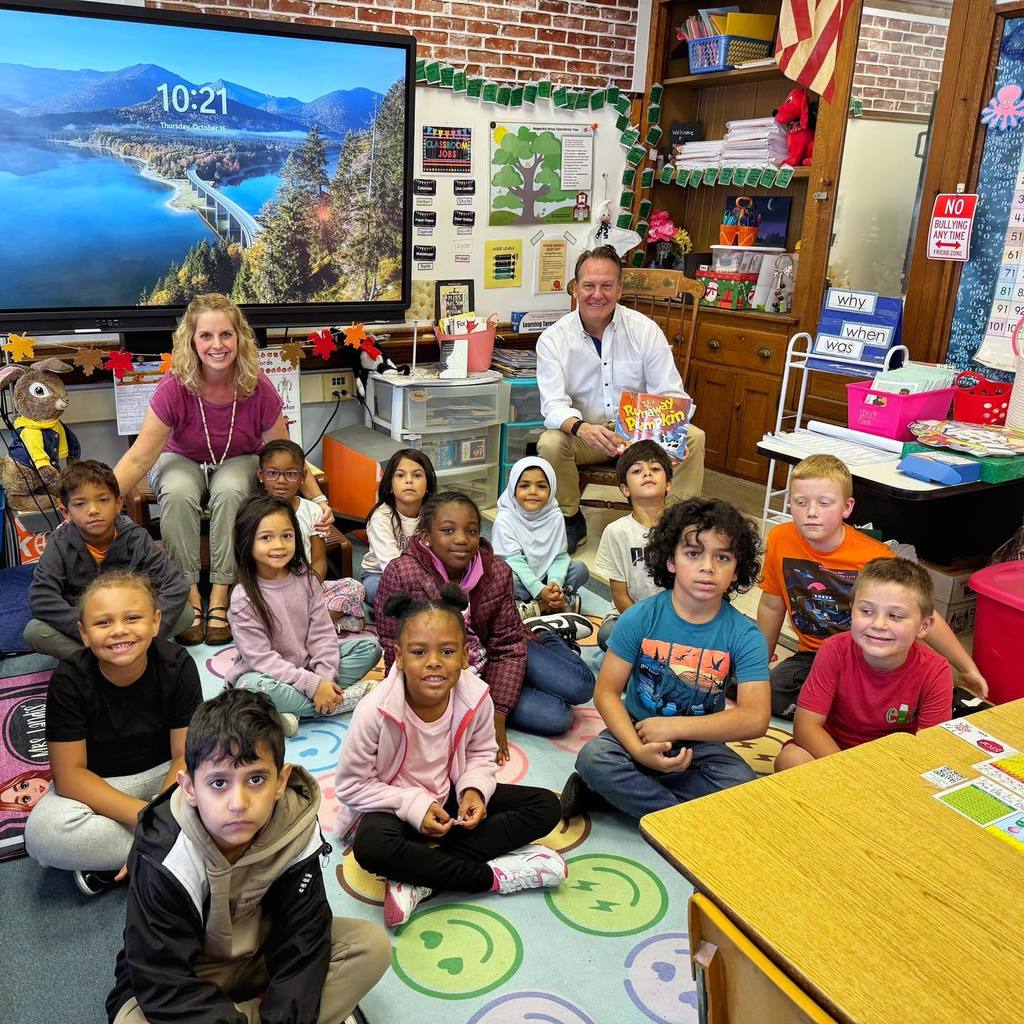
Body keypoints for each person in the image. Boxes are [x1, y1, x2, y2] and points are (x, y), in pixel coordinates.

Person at [105, 688, 390, 1024]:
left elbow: (305, 938)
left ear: (281, 781)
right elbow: (162, 979)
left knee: (369, 947)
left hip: (259, 958)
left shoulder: (295, 828)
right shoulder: (162, 850)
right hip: (190, 971)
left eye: (256, 779)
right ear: (189, 787)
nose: (238, 803)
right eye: (218, 783)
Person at [336, 585, 567, 928]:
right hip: (393, 806)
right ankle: (491, 877)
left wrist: (474, 790)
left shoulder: (476, 697)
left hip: (449, 798)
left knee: (547, 806)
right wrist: (413, 805)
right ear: (398, 656)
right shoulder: (375, 711)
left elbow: (481, 753)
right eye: (418, 652)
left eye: (447, 651)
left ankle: (415, 877)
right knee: (370, 847)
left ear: (465, 656)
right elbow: (352, 787)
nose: (433, 662)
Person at [113, 293, 331, 646]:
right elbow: (140, 457)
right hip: (180, 458)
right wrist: (104, 500)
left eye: (226, 335)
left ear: (239, 337)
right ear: (192, 340)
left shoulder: (258, 386)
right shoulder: (173, 386)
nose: (217, 345)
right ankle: (187, 595)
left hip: (238, 457)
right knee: (178, 491)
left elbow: (285, 454)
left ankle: (219, 594)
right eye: (206, 336)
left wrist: (319, 499)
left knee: (231, 490)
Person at [561, 498, 770, 822]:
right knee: (595, 756)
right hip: (636, 734)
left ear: (737, 568)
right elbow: (606, 692)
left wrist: (674, 725)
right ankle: (677, 821)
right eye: (693, 553)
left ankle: (613, 795)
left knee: (743, 788)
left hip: (700, 744)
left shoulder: (745, 635)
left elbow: (755, 719)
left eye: (723, 557)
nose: (708, 567)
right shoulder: (641, 617)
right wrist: (637, 747)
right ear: (671, 560)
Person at [757, 454, 987, 719]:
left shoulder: (872, 555)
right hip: (815, 656)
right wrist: (757, 668)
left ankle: (950, 701)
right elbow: (771, 605)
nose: (811, 512)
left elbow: (924, 614)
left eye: (824, 503)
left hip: (873, 654)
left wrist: (966, 666)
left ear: (846, 507)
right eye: (801, 502)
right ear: (789, 503)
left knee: (894, 692)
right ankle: (862, 711)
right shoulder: (779, 539)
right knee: (772, 693)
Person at [375, 493, 595, 760]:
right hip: (461, 670)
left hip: (507, 647)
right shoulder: (401, 573)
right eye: (447, 530)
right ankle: (515, 679)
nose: (461, 539)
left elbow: (507, 645)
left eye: (471, 531)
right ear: (426, 535)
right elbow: (391, 644)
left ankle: (544, 634)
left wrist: (498, 714)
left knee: (581, 686)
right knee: (558, 717)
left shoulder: (497, 571)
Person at [24, 570, 202, 897]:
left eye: (132, 618)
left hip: (169, 777)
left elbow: (185, 756)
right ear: (84, 633)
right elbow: (69, 776)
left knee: (233, 790)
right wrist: (150, 822)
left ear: (155, 622)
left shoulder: (178, 664)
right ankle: (173, 853)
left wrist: (161, 809)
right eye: (103, 623)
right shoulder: (69, 681)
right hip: (102, 784)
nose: (119, 630)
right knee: (43, 833)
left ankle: (128, 861)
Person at [535, 244, 705, 553]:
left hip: (641, 431)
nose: (596, 294)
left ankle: (678, 523)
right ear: (575, 289)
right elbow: (553, 406)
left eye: (606, 285)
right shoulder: (553, 339)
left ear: (620, 289)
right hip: (588, 434)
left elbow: (671, 393)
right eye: (588, 285)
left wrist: (668, 435)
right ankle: (569, 517)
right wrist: (582, 428)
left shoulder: (645, 331)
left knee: (693, 437)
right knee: (549, 442)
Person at [774, 558, 954, 771]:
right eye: (866, 611)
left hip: (894, 764)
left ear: (924, 626)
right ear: (852, 611)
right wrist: (852, 771)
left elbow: (929, 748)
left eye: (895, 616)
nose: (878, 625)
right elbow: (806, 727)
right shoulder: (834, 650)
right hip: (832, 751)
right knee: (791, 759)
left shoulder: (936, 670)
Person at [226, 496, 382, 733]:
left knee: (370, 648)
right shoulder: (243, 597)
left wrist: (324, 680)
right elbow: (261, 658)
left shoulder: (306, 579)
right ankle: (342, 702)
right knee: (251, 688)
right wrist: (312, 685)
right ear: (246, 541)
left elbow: (322, 633)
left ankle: (295, 710)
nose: (279, 545)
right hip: (267, 676)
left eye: (286, 536)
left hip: (309, 667)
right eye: (266, 537)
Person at [25, 460, 191, 660]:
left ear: (118, 503)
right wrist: (92, 632)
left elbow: (175, 584)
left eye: (103, 500)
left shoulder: (135, 537)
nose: (93, 510)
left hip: (130, 620)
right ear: (66, 512)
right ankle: (102, 660)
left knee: (186, 614)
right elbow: (41, 598)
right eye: (80, 504)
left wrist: (145, 630)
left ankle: (125, 653)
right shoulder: (59, 544)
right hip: (88, 625)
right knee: (35, 631)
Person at [257, 439, 365, 629]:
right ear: (261, 475)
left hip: (306, 587)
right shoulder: (253, 513)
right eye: (273, 473)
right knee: (247, 605)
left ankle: (305, 626)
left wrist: (308, 589)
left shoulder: (312, 511)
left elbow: (318, 560)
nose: (281, 481)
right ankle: (320, 625)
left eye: (290, 474)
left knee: (354, 587)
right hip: (270, 590)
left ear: (303, 476)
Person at [593, 440, 671, 650]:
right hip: (630, 615)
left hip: (675, 617)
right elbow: (620, 595)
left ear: (669, 483)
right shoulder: (617, 531)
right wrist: (648, 628)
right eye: (637, 470)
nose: (647, 474)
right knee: (608, 635)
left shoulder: (681, 528)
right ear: (625, 489)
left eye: (655, 468)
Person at [491, 456, 590, 619]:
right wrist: (539, 590)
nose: (533, 492)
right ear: (512, 489)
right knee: (503, 579)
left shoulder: (555, 516)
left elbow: (559, 558)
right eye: (524, 485)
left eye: (542, 486)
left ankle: (542, 604)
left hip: (547, 579)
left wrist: (555, 584)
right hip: (521, 578)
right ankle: (555, 604)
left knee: (580, 569)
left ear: (552, 490)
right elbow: (513, 561)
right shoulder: (505, 519)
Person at [360, 448, 436, 606]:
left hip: (424, 574)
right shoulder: (381, 517)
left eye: (417, 475)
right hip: (380, 573)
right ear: (390, 486)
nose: (409, 481)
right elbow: (390, 562)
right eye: (400, 475)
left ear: (428, 485)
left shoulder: (434, 514)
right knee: (378, 591)